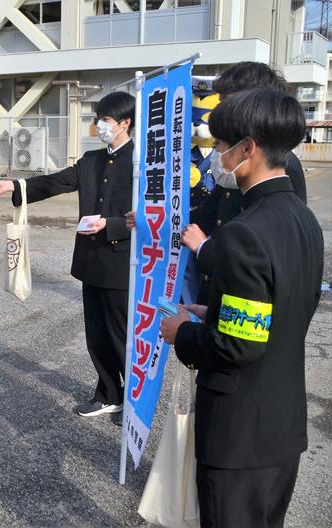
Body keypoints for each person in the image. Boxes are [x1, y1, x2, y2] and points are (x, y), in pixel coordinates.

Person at [160, 88, 324, 528]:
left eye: (219, 146)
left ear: (247, 150)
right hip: (281, 425)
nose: (215, 157)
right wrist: (211, 309)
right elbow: (285, 307)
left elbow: (238, 346)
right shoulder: (303, 218)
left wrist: (183, 333)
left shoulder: (243, 232)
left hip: (239, 434)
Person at [0, 91, 135, 418]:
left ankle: (136, 402)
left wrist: (111, 225)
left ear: (125, 123)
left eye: (106, 121)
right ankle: (109, 393)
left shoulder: (143, 163)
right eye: (99, 119)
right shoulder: (91, 161)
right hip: (91, 262)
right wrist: (13, 186)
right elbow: (55, 183)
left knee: (122, 337)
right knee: (96, 336)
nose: (100, 126)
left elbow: (152, 214)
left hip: (123, 264)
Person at [181, 61, 307, 304]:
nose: (219, 108)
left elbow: (274, 256)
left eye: (227, 100)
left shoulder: (281, 166)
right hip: (218, 288)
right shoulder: (235, 164)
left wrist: (205, 250)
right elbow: (208, 215)